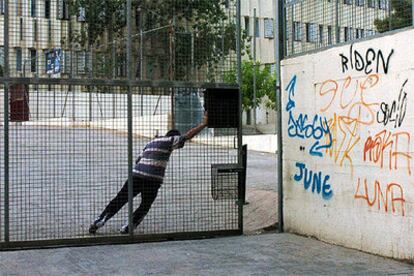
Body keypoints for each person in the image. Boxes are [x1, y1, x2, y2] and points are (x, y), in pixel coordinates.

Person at [89, 112, 208, 234]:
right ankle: (129, 226)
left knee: (121, 198)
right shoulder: (171, 140)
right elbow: (187, 136)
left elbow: (138, 160)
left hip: (137, 175)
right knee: (145, 204)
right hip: (153, 179)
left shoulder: (151, 143)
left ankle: (100, 219)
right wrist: (204, 124)